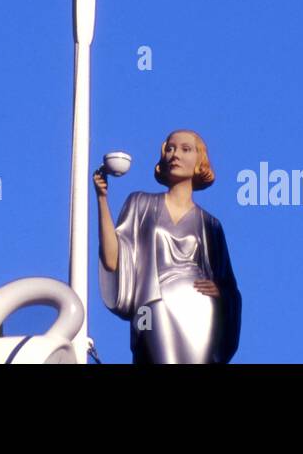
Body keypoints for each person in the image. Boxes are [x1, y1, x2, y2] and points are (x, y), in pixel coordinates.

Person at [95, 129, 242, 363]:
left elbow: (229, 286)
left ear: (199, 161)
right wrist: (102, 200)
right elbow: (113, 260)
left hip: (199, 310)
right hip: (151, 304)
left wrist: (221, 293)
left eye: (185, 149)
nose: (175, 154)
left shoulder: (210, 224)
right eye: (170, 148)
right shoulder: (140, 203)